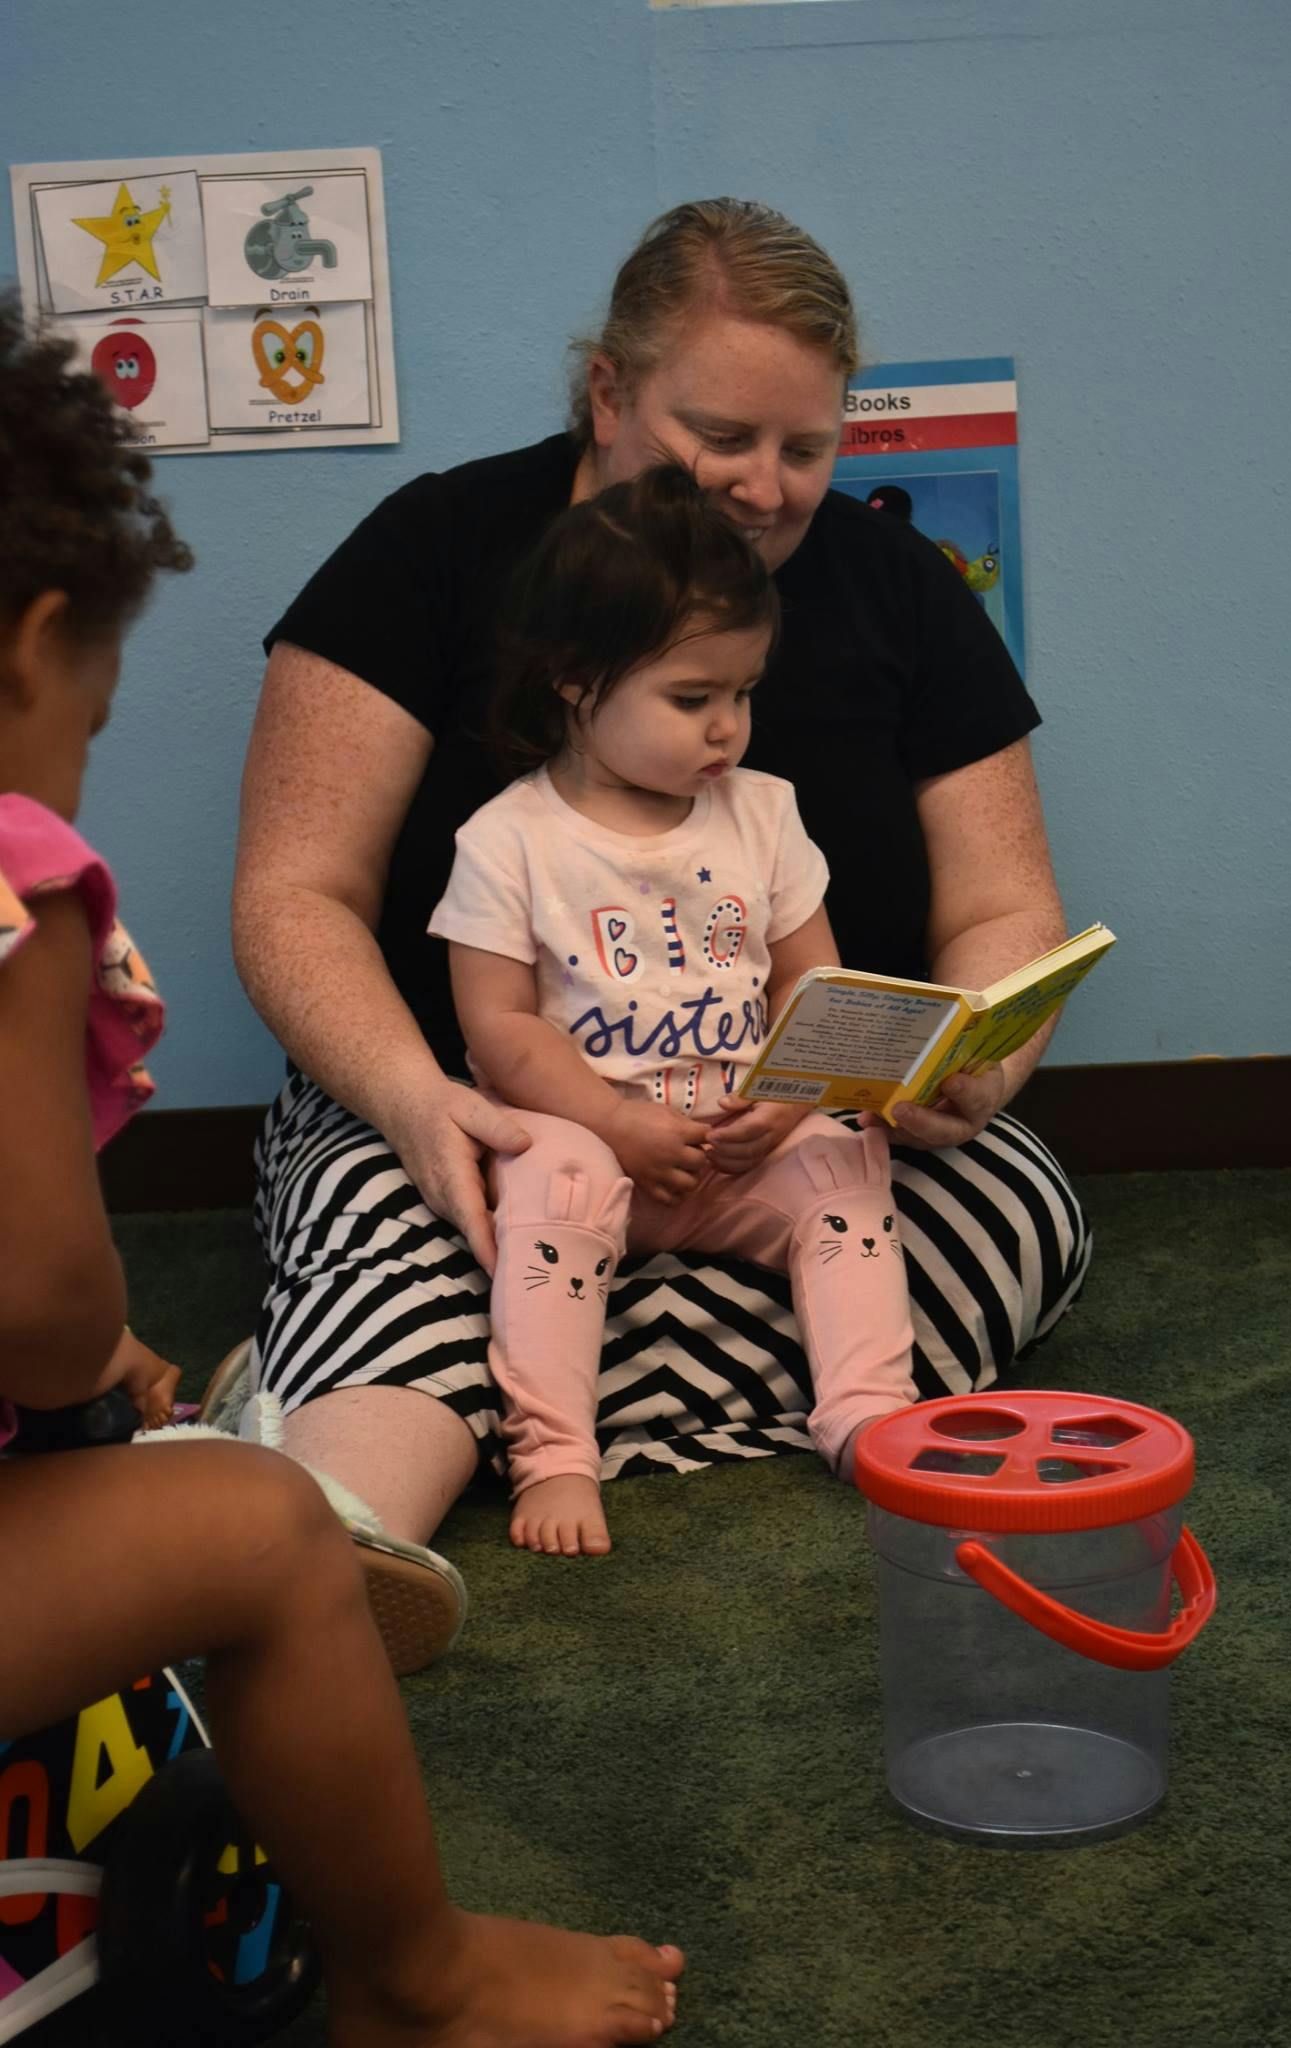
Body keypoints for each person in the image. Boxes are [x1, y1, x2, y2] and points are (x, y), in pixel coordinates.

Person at [229, 198, 1090, 1667]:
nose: (763, 488)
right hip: (471, 1114)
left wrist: (969, 1069)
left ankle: (484, 1397)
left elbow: (1006, 903)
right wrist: (416, 1101)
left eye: (804, 449)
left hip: (788, 1127)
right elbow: (290, 891)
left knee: (1021, 1214)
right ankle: (339, 1527)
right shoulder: (433, 548)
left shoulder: (898, 587)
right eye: (721, 436)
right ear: (608, 393)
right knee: (434, 1225)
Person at [0, 297, 682, 2048]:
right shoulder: (10, 876)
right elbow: (39, 1299)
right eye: (95, 705)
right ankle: (415, 1975)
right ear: (33, 649)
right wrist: (88, 1383)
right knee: (266, 1528)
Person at [434, 464, 918, 1556]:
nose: (726, 730)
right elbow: (498, 1031)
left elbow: (813, 984)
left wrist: (792, 1105)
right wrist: (613, 1122)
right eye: (691, 699)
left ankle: (866, 1412)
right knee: (557, 1176)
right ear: (573, 677)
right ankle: (555, 1448)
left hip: (737, 1146)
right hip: (596, 1135)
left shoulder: (764, 814)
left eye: (742, 694)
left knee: (846, 1165)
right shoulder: (508, 840)